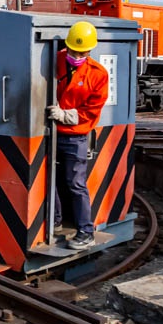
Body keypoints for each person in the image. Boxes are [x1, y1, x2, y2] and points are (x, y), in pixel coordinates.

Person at [47, 20, 109, 251]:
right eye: (73, 50)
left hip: (75, 137)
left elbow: (92, 110)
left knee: (75, 184)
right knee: (47, 179)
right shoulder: (57, 60)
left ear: (90, 51)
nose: (76, 54)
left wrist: (64, 116)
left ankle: (86, 231)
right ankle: (54, 220)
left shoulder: (98, 74)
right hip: (50, 133)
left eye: (81, 52)